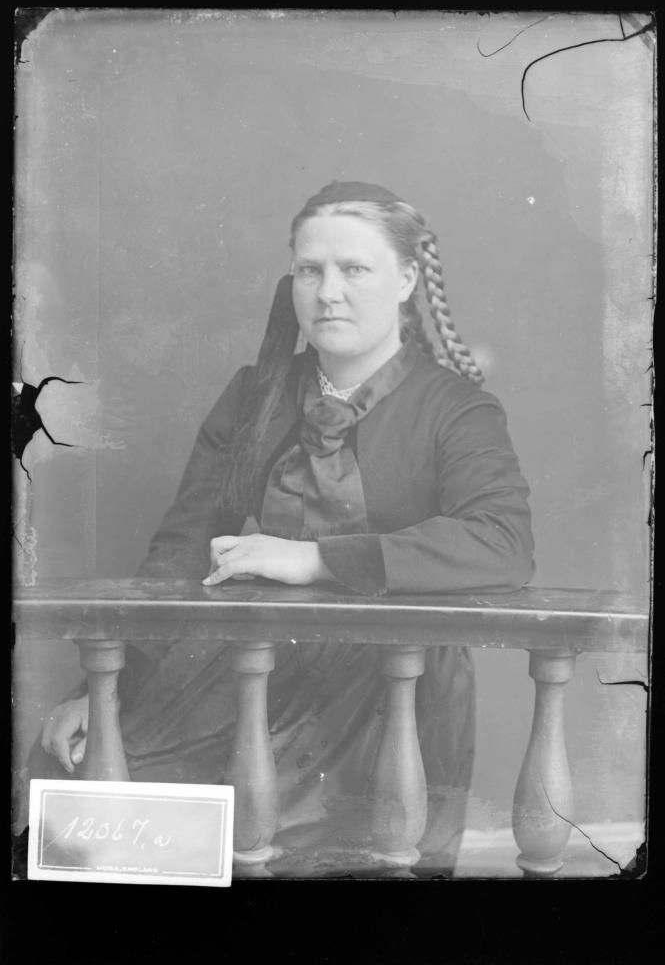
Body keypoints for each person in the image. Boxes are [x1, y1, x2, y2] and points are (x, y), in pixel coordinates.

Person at [30, 180, 534, 876]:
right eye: (309, 270)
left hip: (389, 690)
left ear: (406, 280)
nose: (329, 293)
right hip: (251, 668)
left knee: (324, 866)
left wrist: (314, 560)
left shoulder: (454, 409)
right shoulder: (255, 393)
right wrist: (99, 691)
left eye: (354, 269)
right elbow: (180, 549)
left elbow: (504, 543)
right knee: (73, 801)